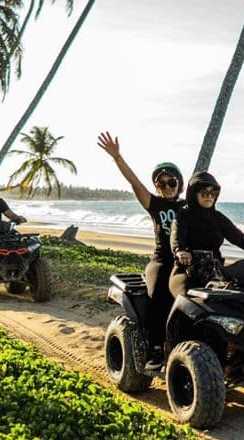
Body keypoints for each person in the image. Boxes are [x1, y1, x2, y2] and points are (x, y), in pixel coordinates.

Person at [97, 131, 185, 370]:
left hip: (187, 262)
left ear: (179, 184)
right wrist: (117, 158)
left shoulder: (188, 207)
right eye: (161, 183)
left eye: (171, 182)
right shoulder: (154, 204)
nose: (166, 187)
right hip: (162, 260)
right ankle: (156, 348)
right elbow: (134, 182)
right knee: (157, 294)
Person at [169, 171, 244, 298]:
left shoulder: (218, 218)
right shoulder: (183, 216)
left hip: (216, 273)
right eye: (204, 192)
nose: (209, 196)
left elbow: (241, 239)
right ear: (194, 193)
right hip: (186, 273)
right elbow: (176, 236)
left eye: (213, 193)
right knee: (188, 300)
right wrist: (180, 250)